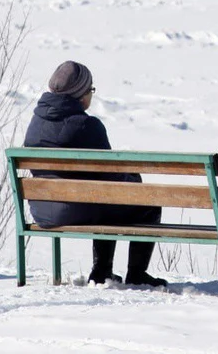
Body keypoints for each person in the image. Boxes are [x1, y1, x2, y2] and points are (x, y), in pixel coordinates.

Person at [23, 60, 167, 287]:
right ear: (80, 94)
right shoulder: (87, 126)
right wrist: (134, 180)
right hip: (75, 208)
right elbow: (110, 178)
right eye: (90, 89)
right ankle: (135, 274)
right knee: (146, 203)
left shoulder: (36, 123)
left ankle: (102, 271)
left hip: (42, 209)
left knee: (104, 200)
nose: (91, 94)